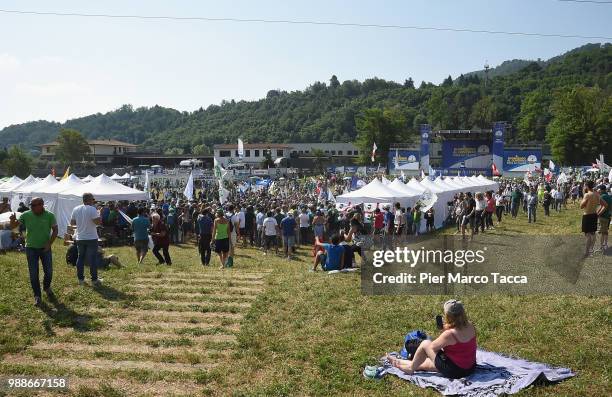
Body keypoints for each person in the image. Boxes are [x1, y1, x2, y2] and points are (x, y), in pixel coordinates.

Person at [386, 299, 477, 379]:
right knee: (428, 364)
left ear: (449, 316)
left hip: (454, 371)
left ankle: (411, 368)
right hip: (469, 368)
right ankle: (399, 362)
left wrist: (443, 332)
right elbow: (459, 330)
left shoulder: (449, 334)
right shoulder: (470, 325)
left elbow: (432, 348)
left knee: (425, 343)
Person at [8, 198, 58, 306]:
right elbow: (14, 228)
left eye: (34, 205)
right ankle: (37, 296)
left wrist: (49, 243)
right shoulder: (26, 214)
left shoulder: (50, 215)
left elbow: (55, 230)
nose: (32, 207)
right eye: (31, 205)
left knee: (49, 271)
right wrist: (12, 221)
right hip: (31, 248)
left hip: (45, 248)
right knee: (33, 273)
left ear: (41, 205)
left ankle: (46, 287)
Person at [70, 193, 102, 286]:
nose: (93, 201)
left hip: (80, 237)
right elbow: (98, 223)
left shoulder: (76, 208)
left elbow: (72, 223)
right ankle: (94, 280)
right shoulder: (92, 209)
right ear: (89, 200)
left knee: (80, 258)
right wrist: (99, 214)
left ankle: (80, 279)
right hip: (91, 237)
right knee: (92, 259)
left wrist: (82, 223)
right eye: (93, 199)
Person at [580, 180, 606, 257]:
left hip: (587, 215)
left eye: (585, 185)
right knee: (593, 233)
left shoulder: (587, 195)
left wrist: (584, 194)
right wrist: (598, 213)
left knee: (588, 235)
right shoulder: (597, 194)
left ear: (587, 186)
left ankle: (587, 252)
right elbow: (605, 205)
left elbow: (581, 206)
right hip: (594, 215)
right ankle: (591, 250)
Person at [597, 185, 611, 252]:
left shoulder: (602, 196)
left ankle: (602, 247)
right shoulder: (608, 196)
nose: (598, 190)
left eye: (598, 189)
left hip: (603, 216)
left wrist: (598, 214)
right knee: (605, 231)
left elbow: (603, 206)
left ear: (602, 190)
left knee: (602, 232)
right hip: (608, 216)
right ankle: (605, 244)